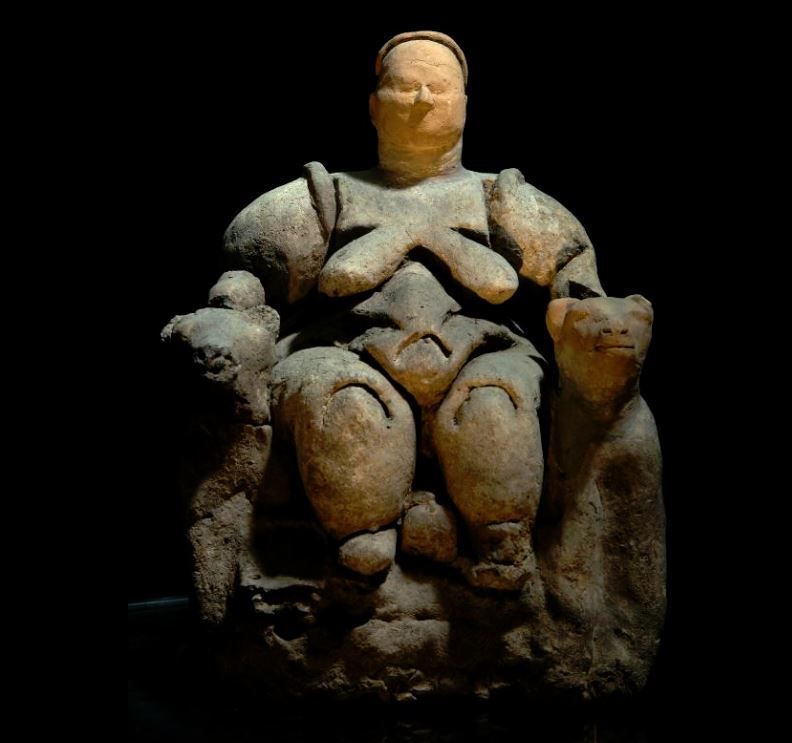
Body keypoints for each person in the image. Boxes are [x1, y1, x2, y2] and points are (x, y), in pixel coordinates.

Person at [217, 31, 604, 590]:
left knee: (495, 402)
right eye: (405, 86)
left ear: (465, 105)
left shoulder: (498, 195)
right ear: (374, 106)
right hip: (347, 348)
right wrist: (234, 303)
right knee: (345, 402)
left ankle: (501, 544)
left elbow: (574, 273)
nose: (423, 99)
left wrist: (586, 315)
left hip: (479, 350)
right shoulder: (330, 194)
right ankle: (360, 539)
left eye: (439, 88)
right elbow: (249, 266)